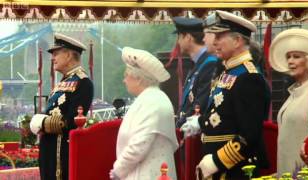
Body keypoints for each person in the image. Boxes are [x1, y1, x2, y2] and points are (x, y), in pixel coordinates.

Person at [181, 10, 270, 179]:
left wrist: (217, 160)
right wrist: (201, 122)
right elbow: (223, 114)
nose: (214, 42)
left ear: (237, 40)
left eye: (220, 36)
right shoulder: (230, 71)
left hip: (236, 169)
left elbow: (248, 134)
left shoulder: (249, 77)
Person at [30, 33, 94, 180]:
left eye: (57, 53)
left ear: (69, 56)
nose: (53, 58)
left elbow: (72, 121)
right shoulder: (63, 82)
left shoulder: (83, 83)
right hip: (50, 152)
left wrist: (43, 122)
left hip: (62, 154)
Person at [109, 47, 178, 180]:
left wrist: (118, 170)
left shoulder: (152, 101)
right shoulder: (151, 98)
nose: (124, 80)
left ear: (139, 78)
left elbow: (139, 145)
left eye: (126, 76)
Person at [269, 28, 308, 176]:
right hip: (287, 172)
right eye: (288, 57)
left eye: (296, 56)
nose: (290, 61)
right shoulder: (294, 92)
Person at [173, 16, 222, 128]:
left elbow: (200, 104)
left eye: (179, 36)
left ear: (188, 38)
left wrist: (179, 125)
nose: (178, 42)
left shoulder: (209, 63)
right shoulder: (198, 63)